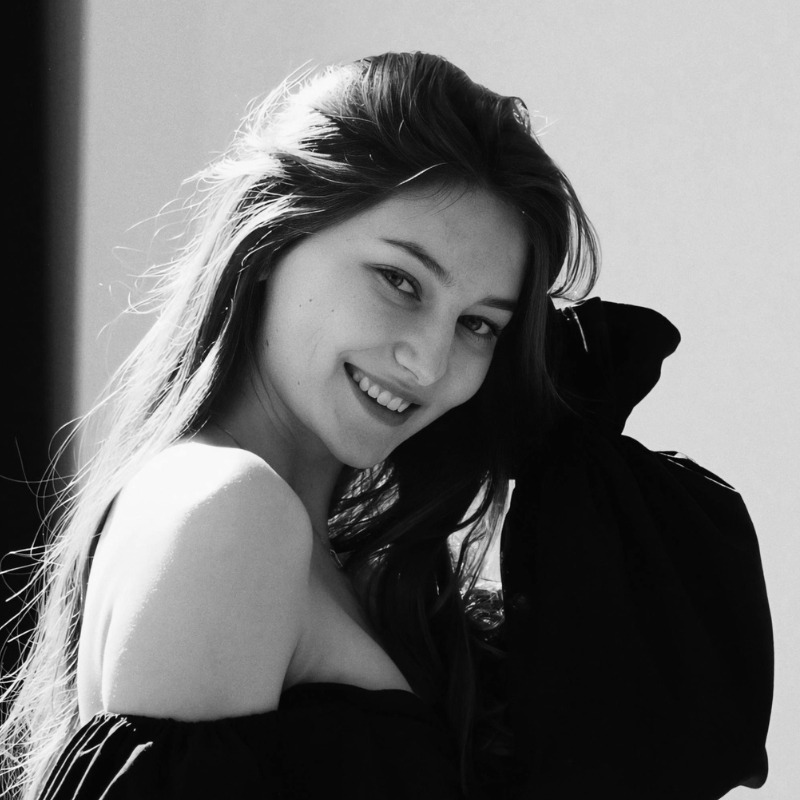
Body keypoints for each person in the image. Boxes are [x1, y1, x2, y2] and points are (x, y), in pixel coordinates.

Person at [0, 52, 772, 800]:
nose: (429, 362)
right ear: (274, 237)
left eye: (478, 324)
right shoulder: (230, 511)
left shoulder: (324, 553)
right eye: (400, 280)